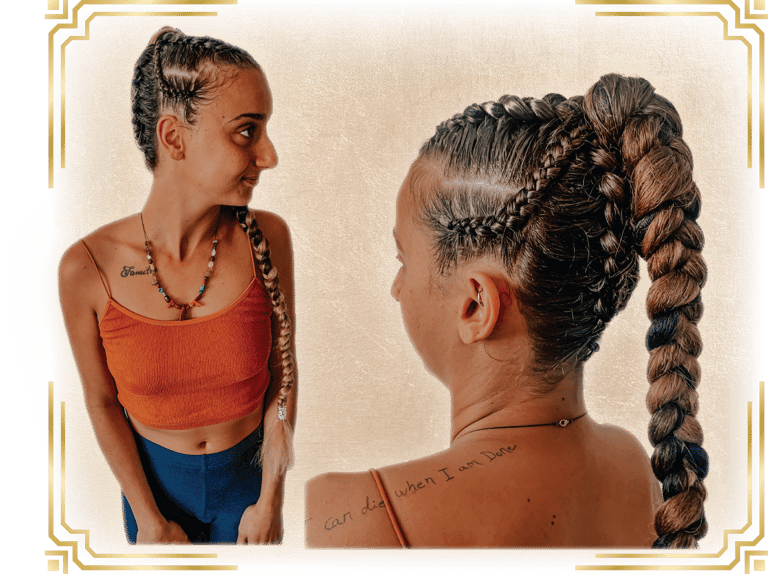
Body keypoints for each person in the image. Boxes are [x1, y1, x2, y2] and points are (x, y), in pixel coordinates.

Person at [305, 74, 707, 549]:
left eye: (404, 261)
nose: (397, 288)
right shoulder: (631, 466)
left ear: (477, 305)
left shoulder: (347, 517)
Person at [58, 27, 297, 545]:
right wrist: (148, 518)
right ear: (173, 137)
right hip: (156, 507)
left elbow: (285, 378)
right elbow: (100, 402)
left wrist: (270, 499)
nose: (269, 155)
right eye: (246, 131)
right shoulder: (86, 268)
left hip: (249, 499)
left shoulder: (268, 239)